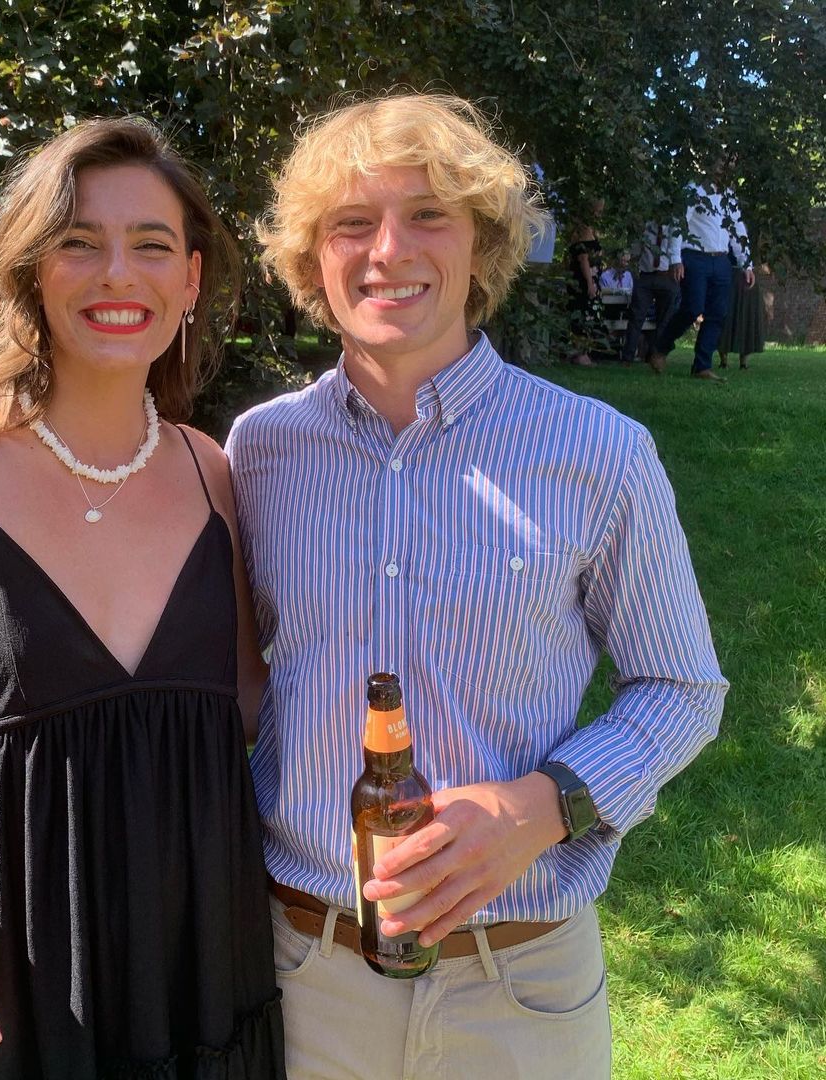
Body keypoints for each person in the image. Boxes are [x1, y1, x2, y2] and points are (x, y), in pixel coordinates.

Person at [226, 93, 727, 1079]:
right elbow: (235, 681)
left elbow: (682, 688)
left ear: (482, 244)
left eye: (428, 215)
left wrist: (543, 806)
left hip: (520, 987)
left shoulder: (598, 452)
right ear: (312, 259)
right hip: (303, 977)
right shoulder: (261, 453)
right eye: (353, 222)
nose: (389, 250)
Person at [0, 118, 286, 1080]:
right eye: (80, 242)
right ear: (33, 271)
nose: (118, 273)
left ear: (191, 281)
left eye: (151, 246)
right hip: (11, 974)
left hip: (203, 963)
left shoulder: (214, 474)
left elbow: (253, 706)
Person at [648, 169, 755, 381]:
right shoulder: (693, 190)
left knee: (718, 312)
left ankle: (702, 366)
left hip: (721, 260)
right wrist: (675, 258)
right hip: (695, 257)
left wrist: (746, 264)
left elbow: (738, 230)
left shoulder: (729, 197)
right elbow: (678, 223)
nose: (725, 167)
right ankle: (661, 347)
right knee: (692, 307)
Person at [620, 220, 682, 365]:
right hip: (646, 276)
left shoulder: (675, 226)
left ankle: (655, 355)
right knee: (636, 317)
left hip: (667, 276)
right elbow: (635, 251)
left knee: (664, 319)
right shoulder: (645, 226)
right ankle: (628, 357)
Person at [565, 196, 606, 366]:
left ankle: (583, 351)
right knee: (583, 314)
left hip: (589, 280)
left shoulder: (587, 230)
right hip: (583, 283)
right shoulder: (583, 232)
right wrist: (590, 283)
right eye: (599, 211)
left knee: (587, 315)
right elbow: (583, 259)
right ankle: (580, 353)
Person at [718, 262, 767, 370]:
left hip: (746, 279)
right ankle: (724, 361)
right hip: (729, 274)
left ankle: (743, 362)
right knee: (726, 317)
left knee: (747, 316)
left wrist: (748, 268)